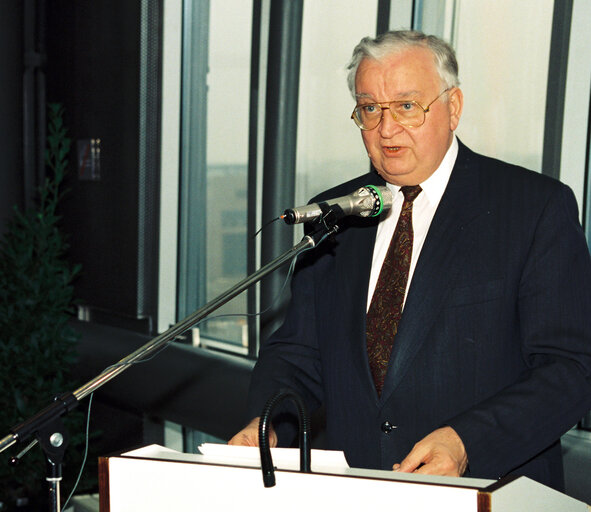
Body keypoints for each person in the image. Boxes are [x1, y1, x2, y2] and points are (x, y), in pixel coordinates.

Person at [229, 30, 591, 491]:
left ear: (453, 107)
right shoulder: (334, 214)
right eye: (369, 108)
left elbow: (570, 370)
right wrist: (267, 424)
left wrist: (466, 442)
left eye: (406, 106)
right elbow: (299, 353)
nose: (385, 128)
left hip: (488, 490)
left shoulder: (533, 209)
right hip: (354, 492)